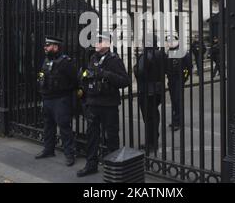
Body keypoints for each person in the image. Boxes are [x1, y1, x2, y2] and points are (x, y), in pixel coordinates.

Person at [77, 33, 130, 177]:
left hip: (109, 105)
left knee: (111, 136)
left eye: (99, 41)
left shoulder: (114, 60)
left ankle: (114, 167)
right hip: (93, 103)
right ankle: (91, 164)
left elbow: (125, 81)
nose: (95, 44)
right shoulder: (93, 58)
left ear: (107, 43)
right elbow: (87, 76)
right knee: (92, 135)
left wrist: (105, 74)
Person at [35, 36, 78, 167]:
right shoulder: (46, 60)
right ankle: (49, 150)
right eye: (45, 45)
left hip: (61, 99)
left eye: (48, 45)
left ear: (56, 47)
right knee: (48, 126)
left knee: (64, 127)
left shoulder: (65, 62)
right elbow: (42, 76)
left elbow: (75, 80)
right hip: (47, 98)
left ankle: (69, 154)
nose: (45, 47)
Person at [134, 35, 165, 152]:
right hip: (158, 89)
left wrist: (135, 68)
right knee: (154, 116)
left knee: (148, 118)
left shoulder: (146, 54)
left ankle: (150, 143)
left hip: (147, 91)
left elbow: (140, 71)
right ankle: (153, 141)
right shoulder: (161, 53)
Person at [165, 35, 192, 132]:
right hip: (171, 80)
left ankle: (178, 122)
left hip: (178, 80)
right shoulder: (168, 53)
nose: (170, 43)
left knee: (178, 100)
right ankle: (175, 120)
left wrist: (184, 78)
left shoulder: (183, 53)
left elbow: (189, 67)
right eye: (168, 41)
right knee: (174, 101)